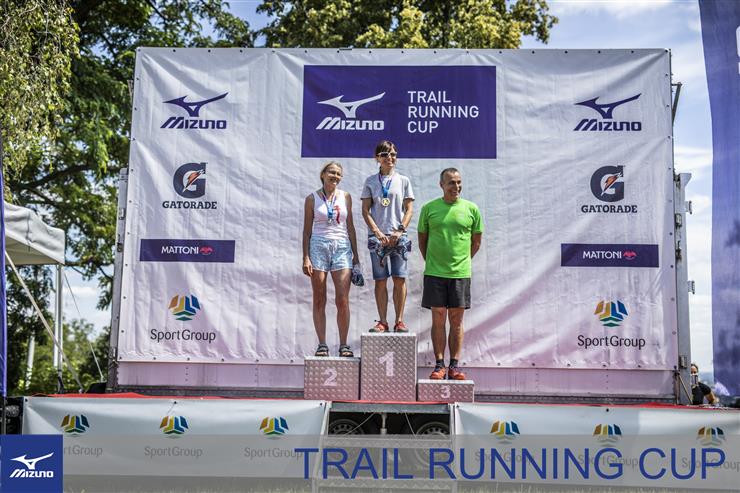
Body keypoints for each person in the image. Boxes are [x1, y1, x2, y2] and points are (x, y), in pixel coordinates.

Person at [418, 168, 483, 380]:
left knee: (456, 321)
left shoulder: (471, 209)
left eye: (458, 182)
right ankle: (439, 366)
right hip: (434, 273)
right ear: (441, 185)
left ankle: (454, 366)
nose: (456, 186)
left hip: (460, 274)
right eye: (451, 182)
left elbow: (476, 242)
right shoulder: (429, 208)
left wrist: (461, 262)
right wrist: (433, 262)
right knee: (438, 319)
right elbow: (422, 240)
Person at [302, 162, 360, 357]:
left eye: (338, 174)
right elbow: (306, 231)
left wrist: (356, 256)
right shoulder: (311, 199)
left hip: (342, 246)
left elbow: (350, 227)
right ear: (323, 174)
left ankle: (344, 345)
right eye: (332, 172)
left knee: (342, 299)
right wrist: (306, 257)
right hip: (318, 245)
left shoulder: (346, 197)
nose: (335, 176)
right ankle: (322, 345)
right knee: (319, 298)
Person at [361, 140, 415, 333]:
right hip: (378, 239)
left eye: (393, 154)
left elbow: (409, 209)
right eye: (385, 154)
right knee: (381, 280)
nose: (389, 157)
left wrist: (399, 230)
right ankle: (382, 321)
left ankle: (399, 321)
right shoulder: (370, 181)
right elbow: (365, 210)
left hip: (399, 237)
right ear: (377, 158)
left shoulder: (404, 180)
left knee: (400, 279)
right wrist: (377, 232)